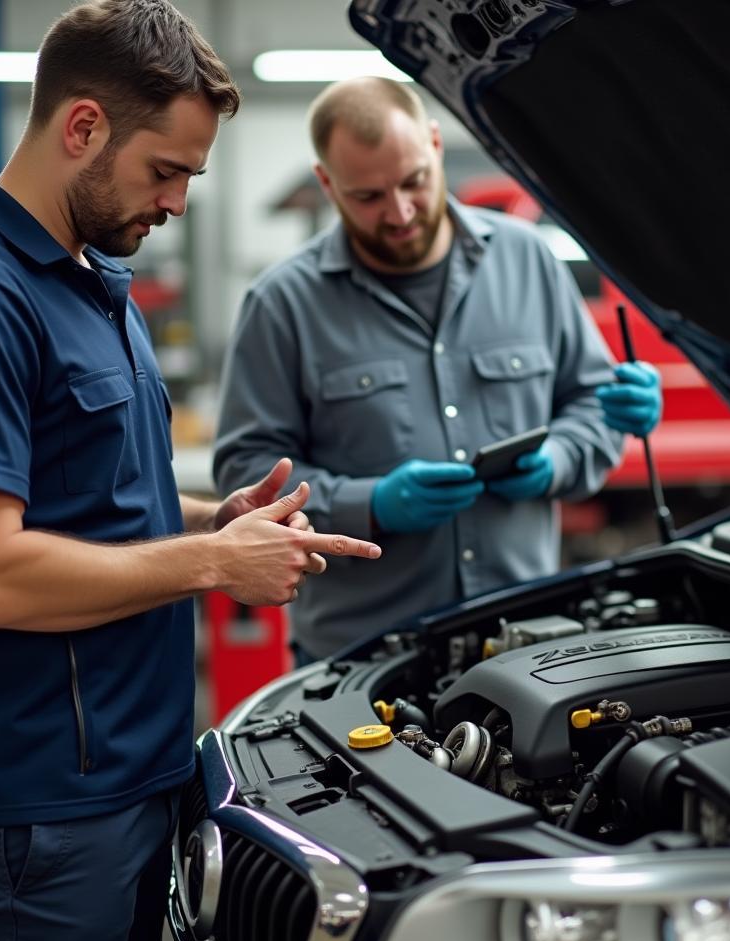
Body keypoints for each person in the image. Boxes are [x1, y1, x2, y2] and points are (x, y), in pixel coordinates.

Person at [0, 4, 381, 941]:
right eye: (164, 171)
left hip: (138, 778)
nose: (176, 201)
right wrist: (213, 570)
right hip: (42, 817)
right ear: (82, 128)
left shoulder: (98, 286)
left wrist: (215, 523)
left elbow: (94, 501)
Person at [214, 77, 661, 663]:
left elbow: (590, 400)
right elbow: (246, 476)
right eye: (368, 196)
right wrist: (371, 503)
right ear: (328, 183)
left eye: (413, 182)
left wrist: (560, 460)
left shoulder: (527, 260)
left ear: (434, 144)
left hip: (522, 640)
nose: (399, 212)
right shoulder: (283, 304)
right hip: (363, 660)